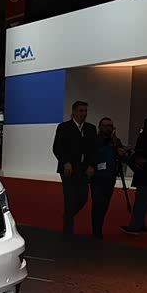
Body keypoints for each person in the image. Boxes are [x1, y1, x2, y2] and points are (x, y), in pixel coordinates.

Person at [52, 101, 97, 235]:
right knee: (69, 198)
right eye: (81, 111)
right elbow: (57, 147)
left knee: (83, 197)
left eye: (85, 111)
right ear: (74, 112)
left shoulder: (91, 128)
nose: (84, 114)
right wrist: (65, 162)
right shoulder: (64, 127)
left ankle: (68, 215)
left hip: (83, 169)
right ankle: (68, 230)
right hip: (69, 169)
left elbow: (94, 150)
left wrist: (91, 165)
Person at [90, 117, 126, 239]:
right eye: (105, 125)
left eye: (110, 125)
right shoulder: (95, 140)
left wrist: (118, 146)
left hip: (110, 177)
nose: (107, 128)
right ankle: (96, 230)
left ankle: (98, 227)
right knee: (97, 203)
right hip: (97, 177)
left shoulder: (115, 141)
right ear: (100, 127)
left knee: (105, 204)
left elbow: (121, 154)